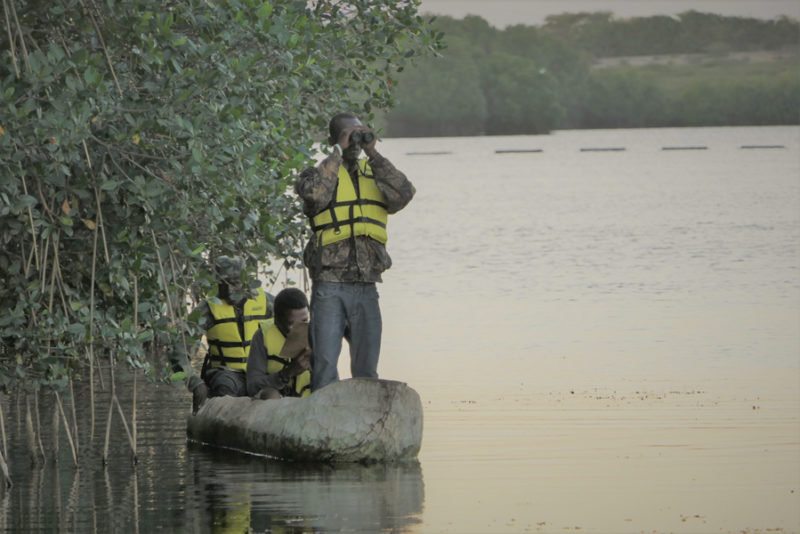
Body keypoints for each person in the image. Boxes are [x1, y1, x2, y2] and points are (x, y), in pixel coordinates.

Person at [294, 112, 415, 391]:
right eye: (349, 135)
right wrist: (338, 151)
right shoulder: (316, 175)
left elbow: (404, 194)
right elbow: (315, 196)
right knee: (325, 365)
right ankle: (323, 410)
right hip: (329, 284)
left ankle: (363, 413)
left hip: (367, 283)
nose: (355, 141)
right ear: (334, 139)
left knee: (366, 369)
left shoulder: (374, 173)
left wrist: (373, 152)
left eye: (359, 133)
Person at [190, 255, 271, 413]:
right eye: (222, 284)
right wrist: (196, 384)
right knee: (225, 387)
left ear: (246, 281)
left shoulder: (268, 303)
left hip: (260, 373)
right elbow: (180, 350)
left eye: (234, 283)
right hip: (225, 373)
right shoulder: (206, 310)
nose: (228, 291)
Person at [246, 287, 312, 399]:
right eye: (291, 323)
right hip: (277, 403)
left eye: (304, 321)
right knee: (270, 394)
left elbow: (330, 380)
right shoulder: (262, 336)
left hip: (309, 401)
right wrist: (286, 374)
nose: (299, 328)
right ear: (277, 320)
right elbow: (252, 386)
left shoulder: (316, 335)